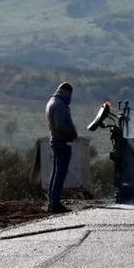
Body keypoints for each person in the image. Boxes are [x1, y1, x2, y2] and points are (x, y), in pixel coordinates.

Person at [45, 82, 78, 213]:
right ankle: (55, 203)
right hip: (62, 141)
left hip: (55, 140)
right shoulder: (60, 104)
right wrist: (71, 133)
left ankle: (51, 201)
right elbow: (60, 124)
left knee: (55, 172)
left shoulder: (52, 101)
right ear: (68, 93)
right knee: (60, 173)